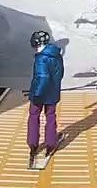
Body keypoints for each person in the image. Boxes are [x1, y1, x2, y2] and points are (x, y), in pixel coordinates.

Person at [27, 30, 64, 161]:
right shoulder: (57, 55)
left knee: (33, 116)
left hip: (39, 93)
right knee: (50, 117)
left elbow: (43, 77)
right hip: (52, 92)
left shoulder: (41, 57)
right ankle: (50, 142)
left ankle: (33, 144)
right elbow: (60, 74)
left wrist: (36, 93)